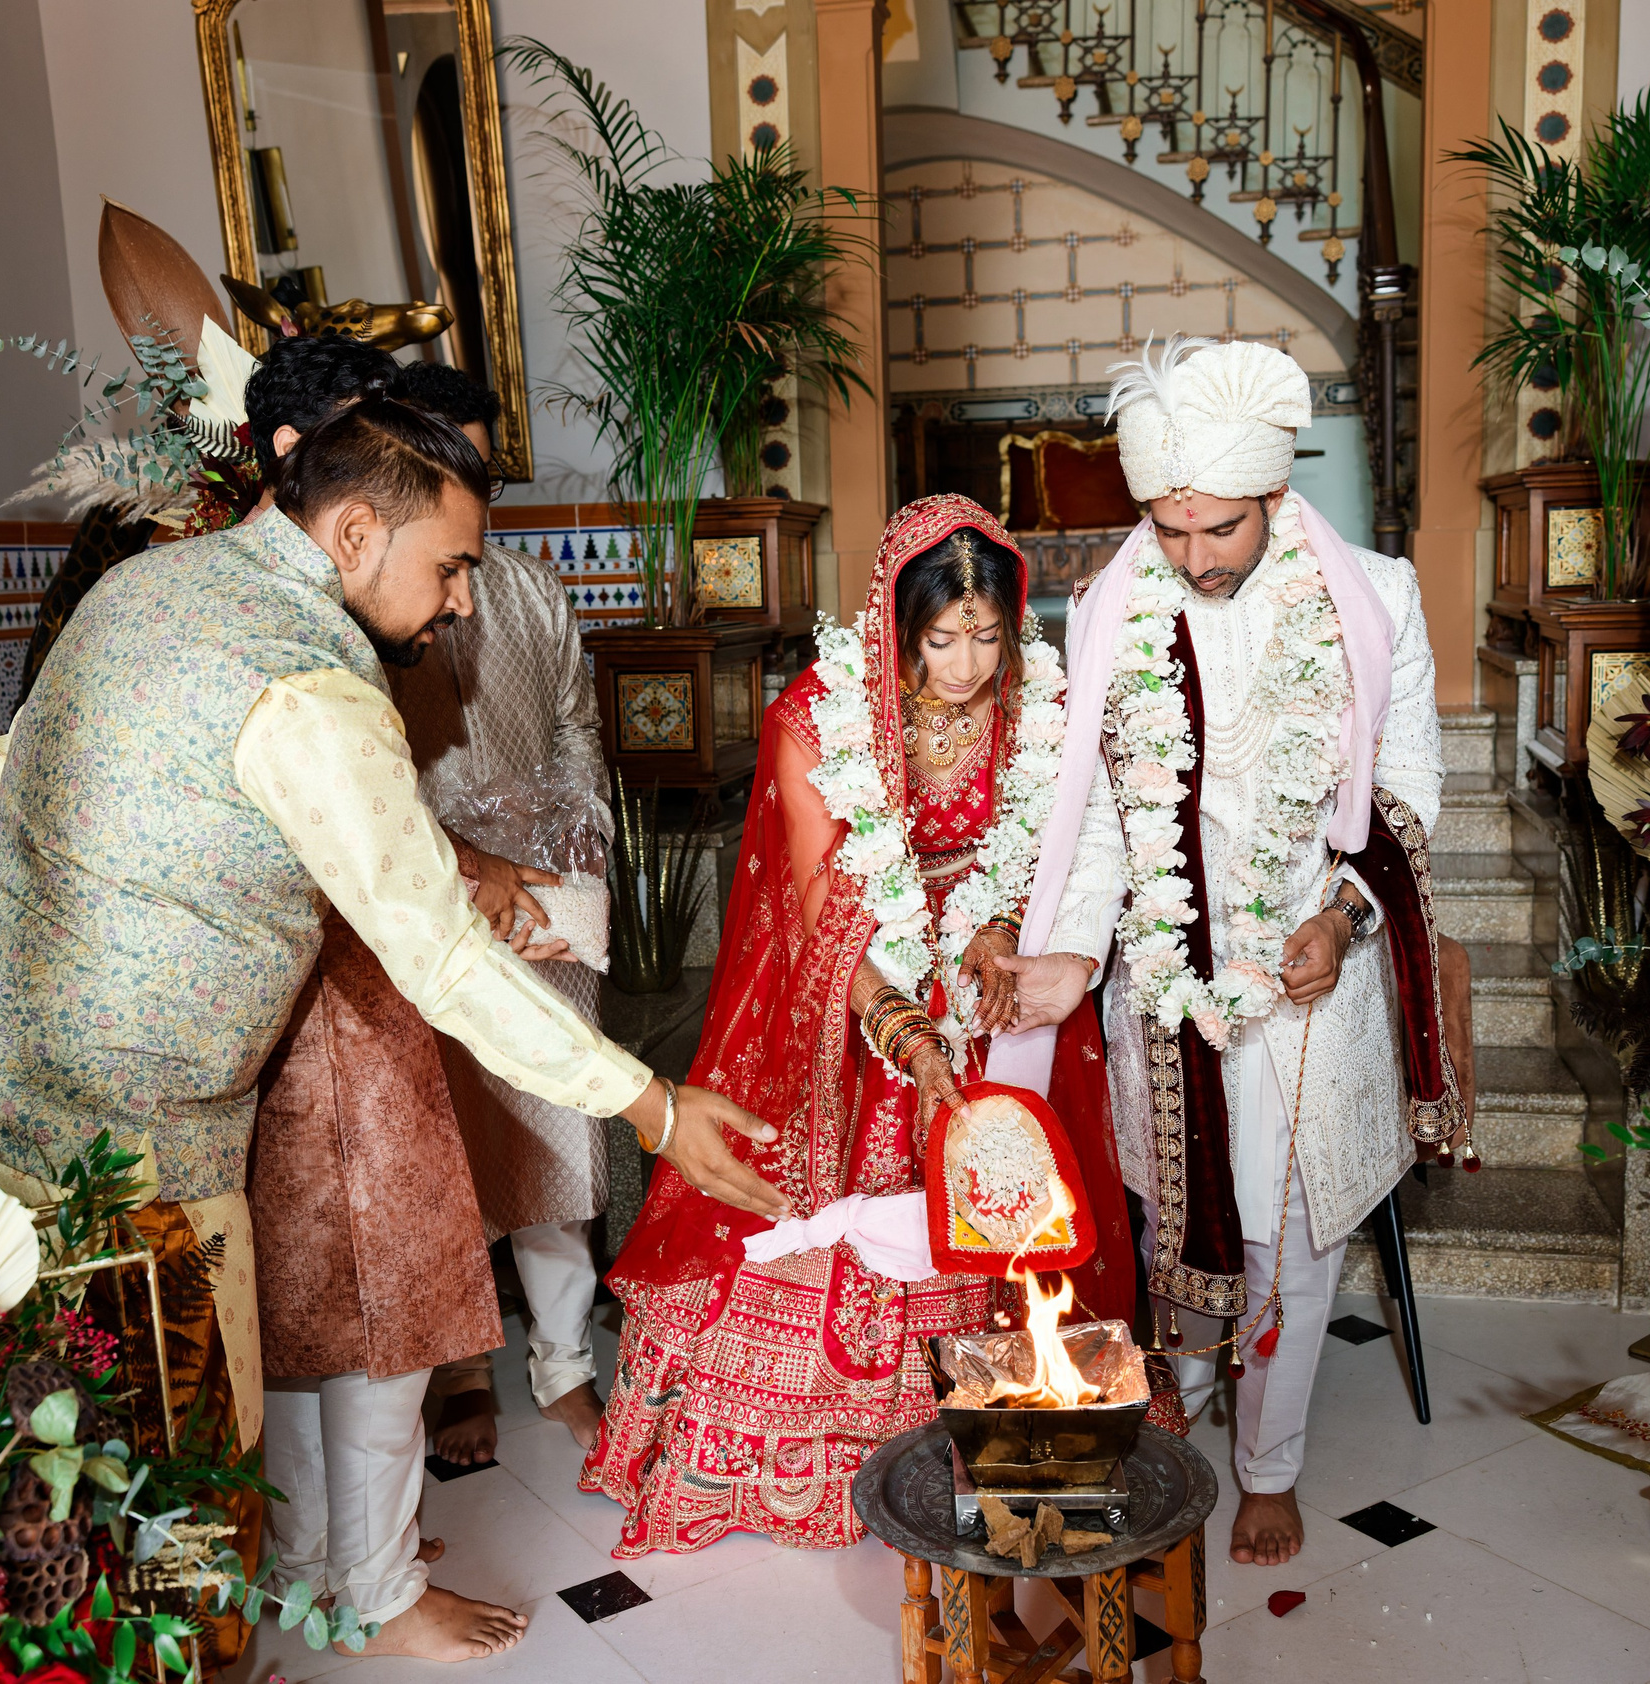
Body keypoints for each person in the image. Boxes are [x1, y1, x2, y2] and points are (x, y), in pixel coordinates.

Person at [0, 400, 786, 1659]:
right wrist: (651, 1103)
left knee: (28, 1449)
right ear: (357, 531)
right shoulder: (311, 678)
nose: (463, 602)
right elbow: (444, 959)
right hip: (139, 1144)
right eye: (451, 565)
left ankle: (101, 1635)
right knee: (170, 1455)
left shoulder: (144, 589)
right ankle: (183, 1651)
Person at [585, 495, 1135, 1557]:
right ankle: (802, 1452)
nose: (968, 667)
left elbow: (1045, 841)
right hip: (854, 979)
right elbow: (819, 911)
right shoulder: (813, 719)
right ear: (894, 626)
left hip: (987, 982)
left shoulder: (1035, 702)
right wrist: (910, 1037)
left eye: (988, 637)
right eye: (942, 640)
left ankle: (1001, 1441)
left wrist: (997, 934)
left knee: (1010, 1182)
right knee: (831, 1183)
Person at [991, 337, 1455, 1568]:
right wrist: (1075, 951)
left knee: (1287, 1235)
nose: (1193, 556)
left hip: (1312, 977)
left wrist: (1344, 918)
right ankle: (1178, 1410)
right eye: (1170, 528)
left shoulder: (1376, 599)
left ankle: (1269, 1466)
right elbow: (1101, 813)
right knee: (1173, 1213)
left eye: (1220, 529)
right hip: (1166, 975)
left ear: (1274, 494)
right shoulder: (1111, 611)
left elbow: (1409, 785)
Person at [376, 359, 616, 1462]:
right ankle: (462, 1370)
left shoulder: (527, 591)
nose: (466, 483)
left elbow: (574, 726)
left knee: (558, 1125)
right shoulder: (367, 609)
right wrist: (455, 860)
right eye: (441, 460)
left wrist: (571, 839)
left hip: (539, 900)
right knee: (442, 1141)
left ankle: (563, 1362)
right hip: (420, 900)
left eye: (480, 466)